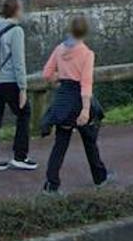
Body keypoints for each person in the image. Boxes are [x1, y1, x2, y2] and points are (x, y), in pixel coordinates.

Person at [39, 15, 108, 193]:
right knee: (89, 140)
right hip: (78, 99)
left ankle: (51, 183)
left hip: (63, 99)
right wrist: (85, 110)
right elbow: (86, 84)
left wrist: (60, 79)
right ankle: (100, 177)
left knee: (60, 144)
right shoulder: (86, 54)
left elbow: (47, 73)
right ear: (85, 32)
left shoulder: (60, 49)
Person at [0, 0, 37, 172]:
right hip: (10, 82)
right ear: (16, 11)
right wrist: (23, 88)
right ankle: (20, 156)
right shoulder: (16, 31)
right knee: (24, 113)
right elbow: (19, 62)